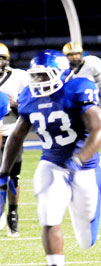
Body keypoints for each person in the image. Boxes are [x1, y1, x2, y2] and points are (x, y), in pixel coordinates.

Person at [0, 50, 101, 266]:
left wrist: (78, 160)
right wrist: (3, 174)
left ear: (59, 74)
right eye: (34, 77)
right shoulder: (29, 96)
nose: (37, 82)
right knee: (49, 218)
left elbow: (99, 130)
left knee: (86, 239)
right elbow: (16, 136)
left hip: (86, 166)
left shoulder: (78, 88)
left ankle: (86, 219)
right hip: (51, 163)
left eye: (42, 76)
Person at [0, 42, 30, 237]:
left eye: (0, 57)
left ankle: (12, 213)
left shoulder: (19, 77)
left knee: (12, 177)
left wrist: (14, 103)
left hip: (12, 134)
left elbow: (30, 107)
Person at [62, 41, 101, 134]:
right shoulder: (63, 69)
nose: (74, 57)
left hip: (90, 101)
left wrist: (94, 86)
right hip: (72, 103)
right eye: (71, 55)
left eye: (76, 54)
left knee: (95, 128)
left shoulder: (90, 64)